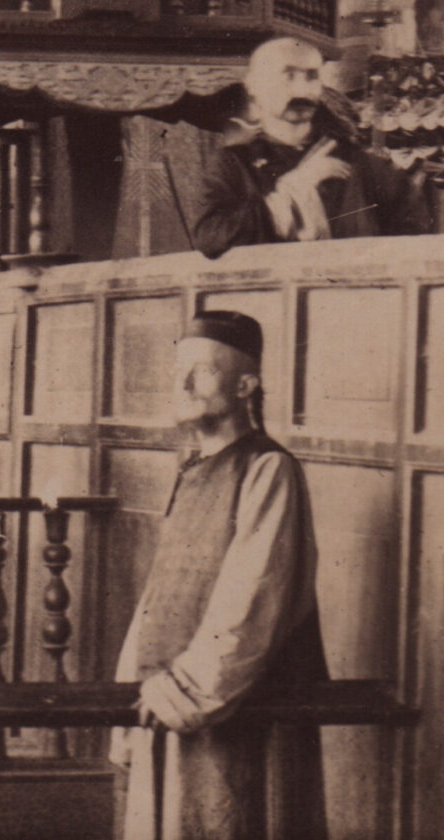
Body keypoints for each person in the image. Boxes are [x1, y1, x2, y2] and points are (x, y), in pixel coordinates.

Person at [112, 309, 329, 840]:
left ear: (245, 386)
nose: (183, 384)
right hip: (168, 701)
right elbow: (159, 596)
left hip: (233, 708)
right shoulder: (192, 470)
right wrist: (130, 692)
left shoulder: (268, 469)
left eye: (204, 371)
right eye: (178, 371)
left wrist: (184, 691)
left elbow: (252, 601)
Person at [119, 36, 425, 258]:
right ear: (254, 86)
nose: (302, 90)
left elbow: (413, 232)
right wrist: (290, 192)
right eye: (288, 77)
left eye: (311, 78)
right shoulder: (233, 163)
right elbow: (210, 238)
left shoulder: (358, 162)